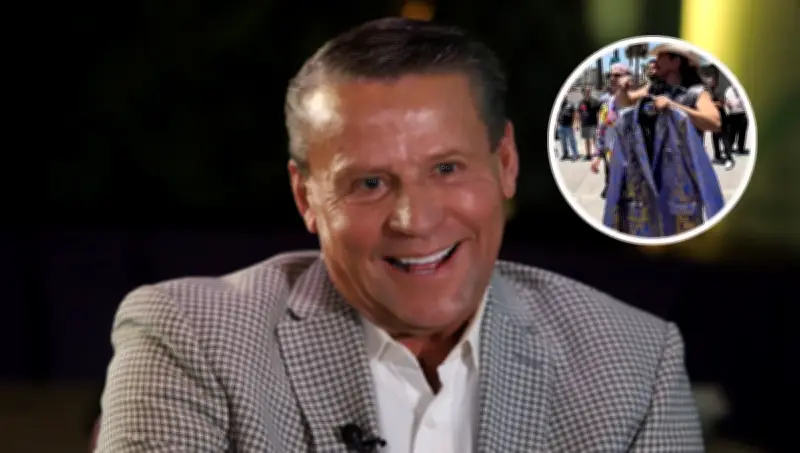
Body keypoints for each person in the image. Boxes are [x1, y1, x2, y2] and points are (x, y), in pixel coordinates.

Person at [96, 18, 703, 452]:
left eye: (447, 169)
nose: (415, 219)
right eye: (369, 183)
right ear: (307, 198)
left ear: (506, 163)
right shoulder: (190, 339)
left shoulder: (634, 363)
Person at [616, 43, 721, 135]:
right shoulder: (653, 88)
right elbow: (626, 102)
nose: (655, 62)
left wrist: (672, 106)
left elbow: (715, 123)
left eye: (661, 56)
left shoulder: (696, 92)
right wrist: (623, 90)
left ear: (676, 62)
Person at [592, 63, 631, 199]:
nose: (612, 78)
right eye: (610, 75)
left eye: (617, 75)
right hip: (611, 161)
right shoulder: (606, 104)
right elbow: (601, 131)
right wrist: (597, 155)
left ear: (628, 78)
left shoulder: (637, 102)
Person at [706, 74, 735, 170]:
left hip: (722, 119)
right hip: (713, 118)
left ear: (716, 81)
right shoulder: (708, 92)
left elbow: (721, 103)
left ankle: (729, 158)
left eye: (712, 80)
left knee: (724, 139)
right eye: (709, 81)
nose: (710, 82)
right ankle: (717, 156)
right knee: (715, 138)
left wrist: (710, 103)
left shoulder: (719, 91)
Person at [578, 86, 602, 160]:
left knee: (595, 139)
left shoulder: (595, 101)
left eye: (589, 91)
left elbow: (600, 112)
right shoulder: (581, 102)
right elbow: (579, 113)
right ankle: (588, 155)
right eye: (586, 91)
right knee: (587, 140)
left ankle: (597, 153)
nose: (588, 92)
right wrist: (578, 124)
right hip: (585, 124)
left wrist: (600, 123)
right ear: (583, 92)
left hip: (593, 123)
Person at [725, 85, 749, 154]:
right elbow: (728, 103)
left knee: (742, 133)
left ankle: (741, 148)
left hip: (743, 113)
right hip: (733, 114)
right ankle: (729, 148)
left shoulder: (743, 89)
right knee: (732, 133)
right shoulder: (728, 91)